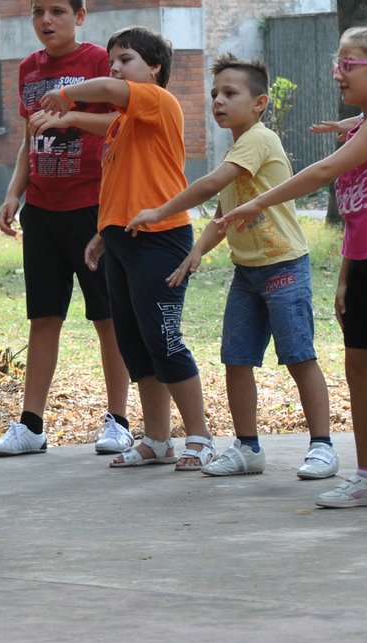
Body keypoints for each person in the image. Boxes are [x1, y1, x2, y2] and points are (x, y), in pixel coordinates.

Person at [222, 27, 367, 515]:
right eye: (339, 62)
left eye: (348, 64)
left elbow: (325, 173)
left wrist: (256, 204)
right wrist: (346, 275)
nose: (337, 72)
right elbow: (357, 212)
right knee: (358, 371)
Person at [127, 54, 336, 479]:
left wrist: (159, 212)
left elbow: (210, 185)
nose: (218, 101)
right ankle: (247, 448)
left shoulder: (258, 139)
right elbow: (226, 213)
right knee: (236, 358)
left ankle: (322, 447)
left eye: (230, 93)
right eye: (215, 94)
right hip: (248, 272)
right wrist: (197, 250)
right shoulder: (239, 147)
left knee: (298, 356)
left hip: (283, 267)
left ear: (259, 103)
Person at [37, 26, 217, 470]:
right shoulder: (122, 125)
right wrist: (104, 233)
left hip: (162, 238)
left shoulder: (158, 101)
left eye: (127, 58)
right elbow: (124, 183)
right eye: (113, 59)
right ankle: (157, 439)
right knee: (136, 343)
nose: (116, 66)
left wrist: (68, 95)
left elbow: (106, 90)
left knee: (165, 339)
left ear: (154, 67)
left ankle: (200, 435)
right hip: (123, 241)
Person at [0, 0, 132, 458]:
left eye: (57, 11)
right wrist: (14, 193)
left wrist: (72, 112)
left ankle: (119, 418)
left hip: (92, 206)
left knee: (107, 317)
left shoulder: (100, 62)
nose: (46, 20)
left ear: (80, 15)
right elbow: (33, 136)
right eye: (37, 12)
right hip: (43, 211)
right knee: (43, 317)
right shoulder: (28, 69)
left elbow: (120, 124)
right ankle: (31, 425)